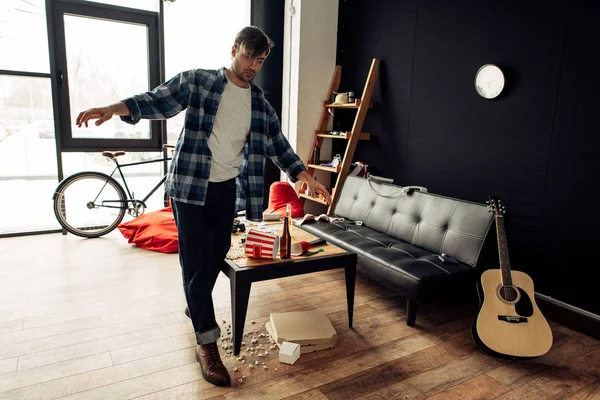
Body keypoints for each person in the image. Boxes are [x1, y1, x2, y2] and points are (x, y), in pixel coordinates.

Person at [75, 26, 331, 387]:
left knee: (219, 251)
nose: (251, 66)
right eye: (247, 56)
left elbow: (279, 144)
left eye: (258, 61)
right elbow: (156, 100)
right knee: (195, 261)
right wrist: (113, 108)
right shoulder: (199, 82)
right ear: (233, 50)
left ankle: (195, 302)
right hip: (189, 187)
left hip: (225, 188)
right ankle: (207, 344)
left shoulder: (259, 103)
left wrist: (304, 175)